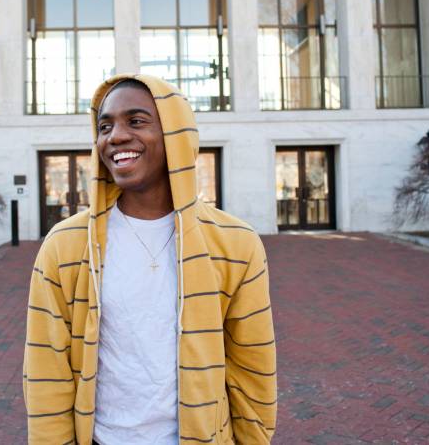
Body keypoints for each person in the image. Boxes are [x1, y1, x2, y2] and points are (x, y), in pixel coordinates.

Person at [23, 74, 277, 444]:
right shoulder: (65, 245)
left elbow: (252, 367)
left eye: (136, 121)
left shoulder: (235, 244)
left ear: (176, 135)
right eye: (105, 126)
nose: (116, 136)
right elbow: (47, 372)